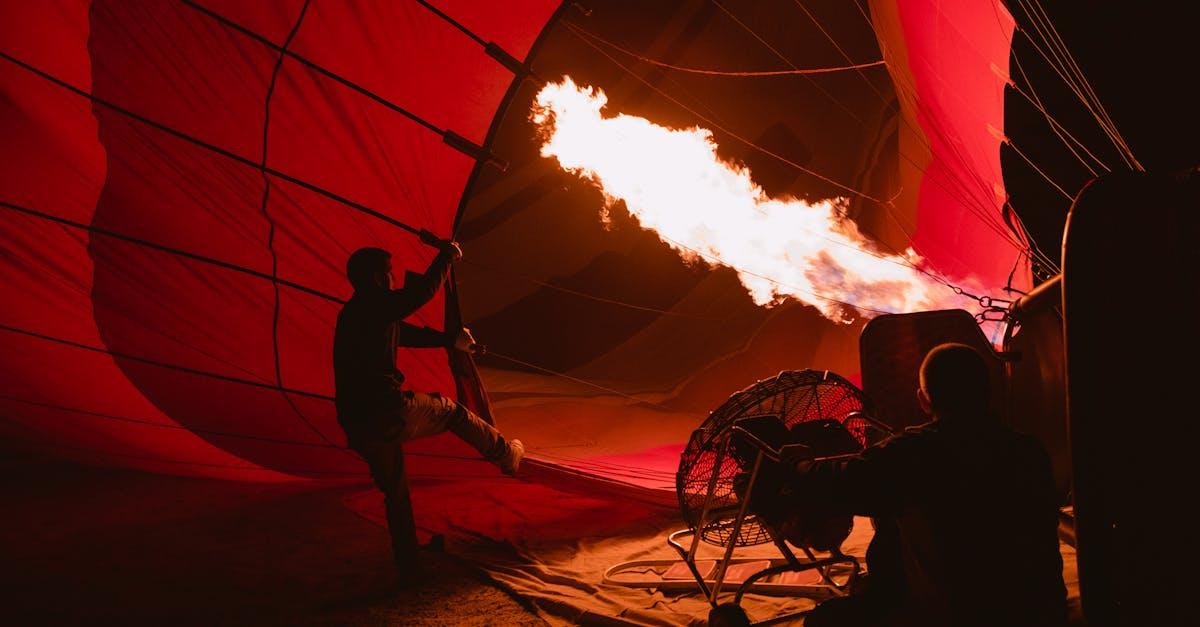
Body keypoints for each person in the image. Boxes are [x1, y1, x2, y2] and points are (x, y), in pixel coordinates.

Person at [750, 343, 1066, 626]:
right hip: (1041, 613)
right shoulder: (1029, 450)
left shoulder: (913, 453)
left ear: (924, 401)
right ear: (989, 391)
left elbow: (840, 482)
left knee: (824, 621)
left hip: (956, 616)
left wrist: (798, 465)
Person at [333, 232, 523, 579]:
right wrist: (446, 256)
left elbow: (406, 333)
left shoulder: (359, 315)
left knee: (396, 492)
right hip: (387, 413)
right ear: (377, 278)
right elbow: (419, 295)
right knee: (450, 411)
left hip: (358, 425)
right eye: (390, 273)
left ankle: (408, 566)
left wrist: (450, 341)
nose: (393, 279)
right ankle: (504, 455)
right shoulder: (375, 305)